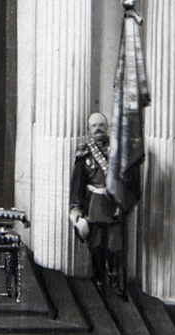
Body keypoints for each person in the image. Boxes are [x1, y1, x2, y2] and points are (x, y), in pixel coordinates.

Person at [69, 112, 124, 295]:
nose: (98, 128)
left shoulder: (118, 149)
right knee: (96, 244)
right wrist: (76, 208)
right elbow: (77, 184)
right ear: (88, 130)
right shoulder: (84, 152)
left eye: (101, 125)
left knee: (114, 245)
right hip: (94, 204)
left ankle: (114, 279)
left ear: (107, 127)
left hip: (113, 204)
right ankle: (99, 278)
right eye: (94, 126)